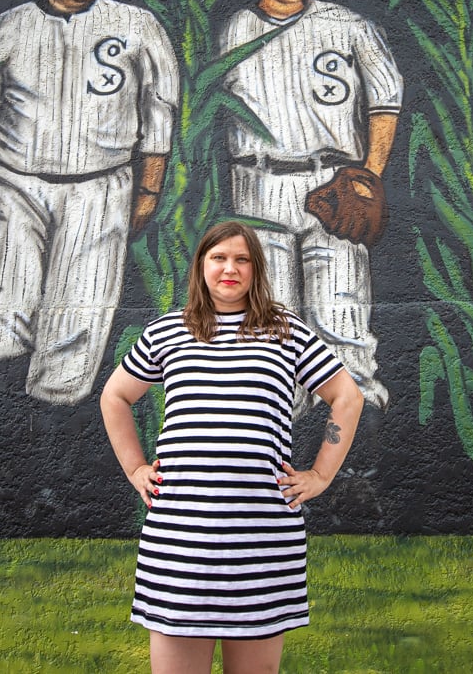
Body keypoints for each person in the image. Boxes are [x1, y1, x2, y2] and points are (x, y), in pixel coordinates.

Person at [101, 220, 363, 674]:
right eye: (219, 257)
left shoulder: (287, 332)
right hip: (180, 536)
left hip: (262, 538)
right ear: (202, 265)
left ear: (256, 269)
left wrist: (320, 475)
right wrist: (134, 467)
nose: (230, 269)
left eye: (242, 259)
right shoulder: (167, 332)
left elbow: (347, 396)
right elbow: (115, 395)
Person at [0, 0, 179, 404]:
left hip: (100, 184)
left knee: (81, 305)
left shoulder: (135, 24)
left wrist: (149, 190)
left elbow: (159, 107)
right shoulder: (8, 27)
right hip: (13, 182)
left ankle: (54, 415)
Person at [219, 0, 401, 411]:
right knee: (271, 311)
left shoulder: (346, 24)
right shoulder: (235, 30)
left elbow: (385, 101)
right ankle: (284, 414)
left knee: (340, 302)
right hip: (257, 180)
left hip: (333, 176)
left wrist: (369, 177)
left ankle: (355, 410)